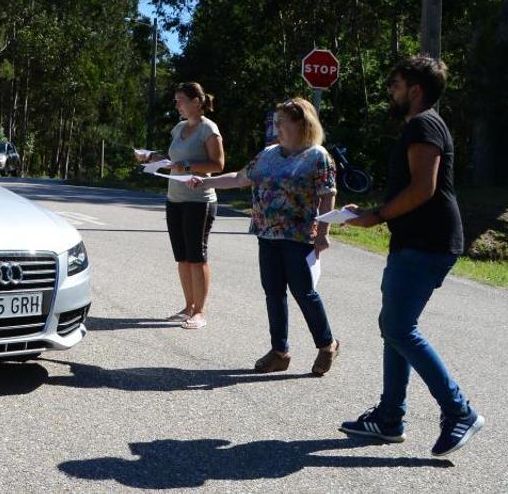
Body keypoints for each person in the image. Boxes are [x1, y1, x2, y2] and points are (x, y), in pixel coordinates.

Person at [337, 55, 484, 457]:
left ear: (415, 89)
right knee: (393, 326)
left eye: (396, 84)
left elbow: (424, 188)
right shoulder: (420, 126)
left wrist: (377, 217)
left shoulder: (424, 124)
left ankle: (459, 412)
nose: (390, 91)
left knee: (399, 328)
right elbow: (412, 188)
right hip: (416, 241)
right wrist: (366, 212)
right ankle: (388, 418)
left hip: (427, 243)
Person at [186, 97, 340, 375]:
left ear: (301, 122)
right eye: (275, 121)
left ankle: (326, 345)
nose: (277, 126)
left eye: (283, 121)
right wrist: (205, 181)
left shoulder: (317, 156)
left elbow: (328, 195)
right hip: (266, 234)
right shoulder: (268, 154)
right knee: (273, 293)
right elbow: (240, 178)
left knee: (304, 293)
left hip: (299, 237)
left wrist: (323, 234)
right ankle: (279, 352)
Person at [135, 82, 225, 330]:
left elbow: (217, 164)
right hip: (174, 198)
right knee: (183, 258)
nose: (177, 105)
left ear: (196, 101)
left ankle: (200, 312)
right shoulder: (178, 128)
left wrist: (186, 167)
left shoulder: (209, 129)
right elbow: (174, 161)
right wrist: (151, 158)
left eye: (181, 100)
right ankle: (188, 307)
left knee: (197, 257)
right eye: (175, 100)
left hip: (199, 201)